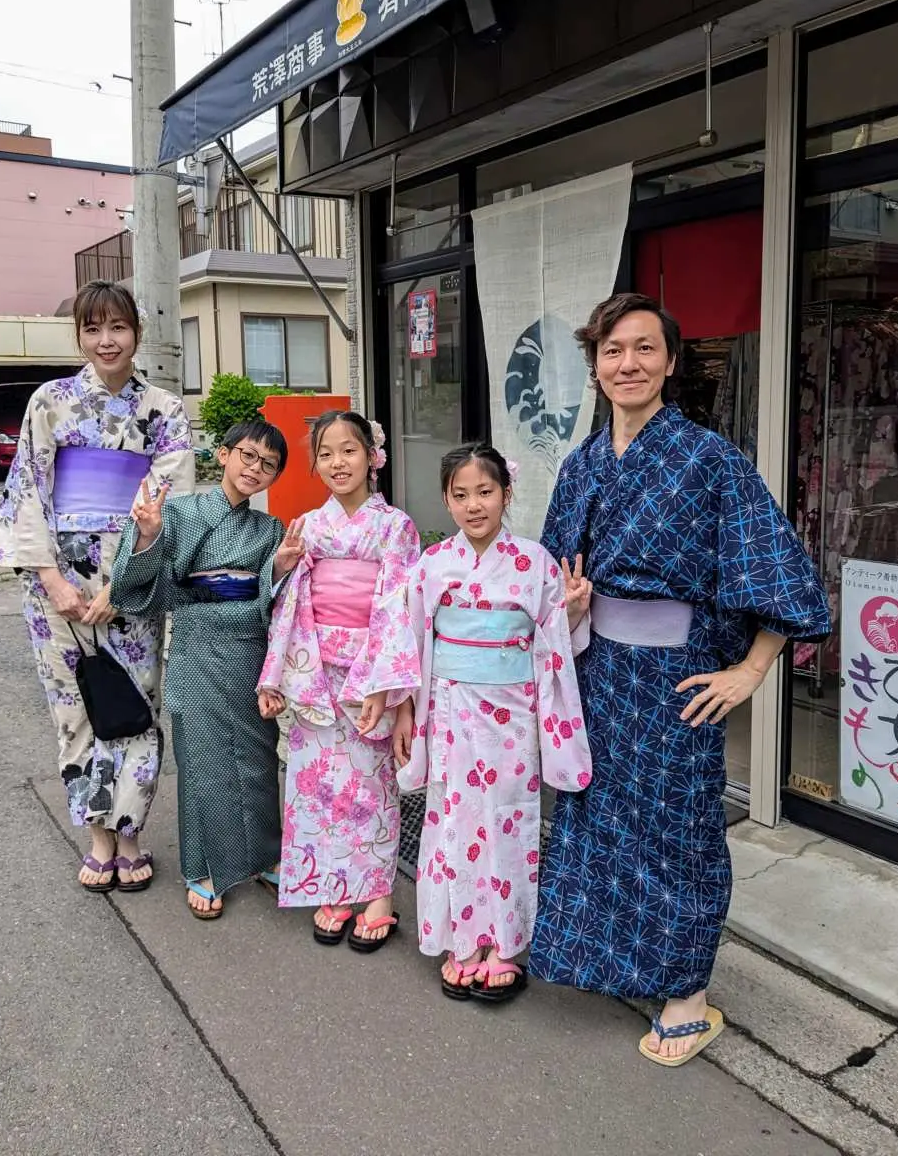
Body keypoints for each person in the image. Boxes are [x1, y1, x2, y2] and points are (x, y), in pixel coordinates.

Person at [529, 293, 830, 1065]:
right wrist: (565, 612)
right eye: (611, 351)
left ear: (669, 361)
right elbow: (551, 581)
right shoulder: (583, 463)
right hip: (598, 672)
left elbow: (782, 575)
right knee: (597, 825)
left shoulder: (711, 462)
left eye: (643, 349)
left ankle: (688, 991)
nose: (627, 364)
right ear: (595, 367)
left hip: (679, 680)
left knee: (679, 835)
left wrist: (749, 671)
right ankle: (625, 961)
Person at [0, 280, 193, 892]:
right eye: (93, 329)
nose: (106, 341)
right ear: (79, 335)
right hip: (56, 590)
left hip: (129, 587)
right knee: (75, 710)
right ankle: (98, 837)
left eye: (118, 327)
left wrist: (122, 585)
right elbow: (28, 490)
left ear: (137, 333)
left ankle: (129, 835)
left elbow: (165, 503)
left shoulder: (163, 410)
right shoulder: (49, 401)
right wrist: (53, 581)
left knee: (134, 708)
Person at [394, 445, 592, 1003]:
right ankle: (462, 939)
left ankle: (504, 943)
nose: (473, 505)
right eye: (460, 495)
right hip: (449, 706)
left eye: (485, 492)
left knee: (507, 819)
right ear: (446, 501)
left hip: (512, 711)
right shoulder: (432, 565)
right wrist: (406, 708)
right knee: (451, 818)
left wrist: (572, 610)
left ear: (507, 494)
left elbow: (555, 638)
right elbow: (408, 643)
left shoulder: (536, 563)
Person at [109, 419, 303, 920]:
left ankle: (262, 855)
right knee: (203, 765)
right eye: (248, 455)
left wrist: (277, 569)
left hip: (248, 650)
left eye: (268, 465)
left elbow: (275, 598)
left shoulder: (271, 530)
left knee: (258, 763)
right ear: (224, 454)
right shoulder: (180, 512)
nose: (254, 469)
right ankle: (206, 866)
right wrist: (148, 537)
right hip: (196, 648)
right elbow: (141, 584)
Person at [257, 410, 420, 951]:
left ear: (372, 457)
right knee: (319, 786)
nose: (337, 463)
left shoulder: (395, 527)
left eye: (348, 450)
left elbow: (400, 608)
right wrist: (282, 569)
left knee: (372, 787)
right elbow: (292, 606)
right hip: (316, 673)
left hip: (369, 678)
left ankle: (376, 894)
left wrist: (384, 688)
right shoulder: (309, 525)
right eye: (325, 453)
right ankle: (333, 884)